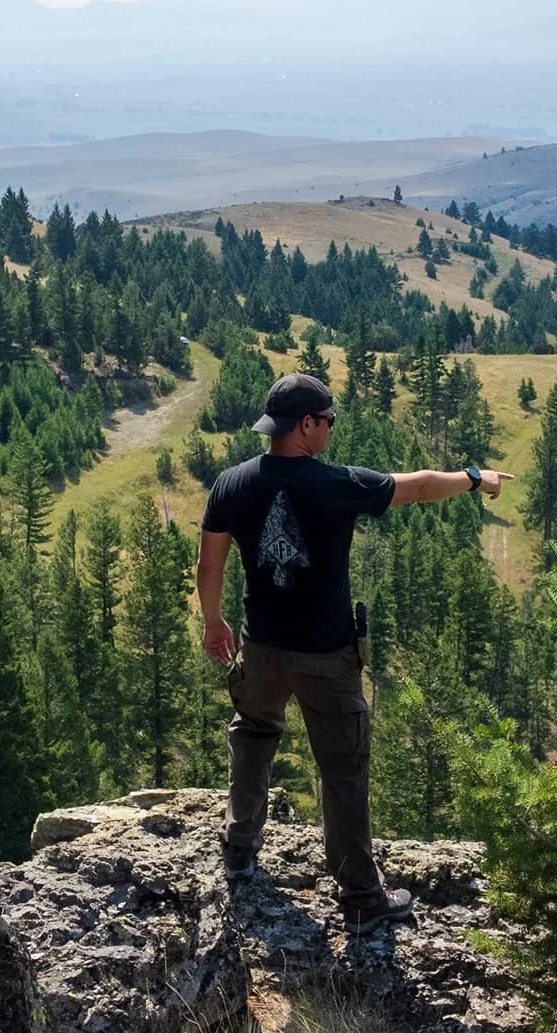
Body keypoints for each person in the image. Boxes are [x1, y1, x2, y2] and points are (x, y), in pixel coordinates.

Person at [196, 372, 510, 934]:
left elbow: (210, 564)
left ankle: (239, 850)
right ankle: (362, 897)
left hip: (260, 647)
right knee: (342, 770)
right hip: (326, 656)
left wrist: (213, 621)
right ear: (306, 426)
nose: (332, 429)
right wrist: (473, 477)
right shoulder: (335, 484)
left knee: (253, 734)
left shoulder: (232, 484)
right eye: (329, 420)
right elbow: (415, 486)